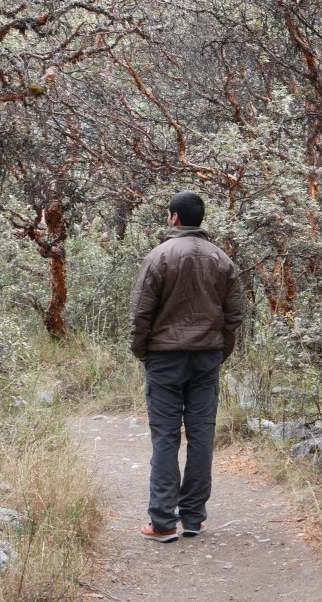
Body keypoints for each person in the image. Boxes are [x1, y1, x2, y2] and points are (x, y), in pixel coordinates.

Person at [128, 191, 244, 542]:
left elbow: (141, 313)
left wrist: (143, 352)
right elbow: (234, 316)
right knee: (201, 435)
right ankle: (193, 517)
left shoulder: (159, 256)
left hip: (165, 359)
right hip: (206, 358)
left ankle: (163, 521)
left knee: (165, 437)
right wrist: (219, 352)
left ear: (174, 218)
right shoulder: (222, 259)